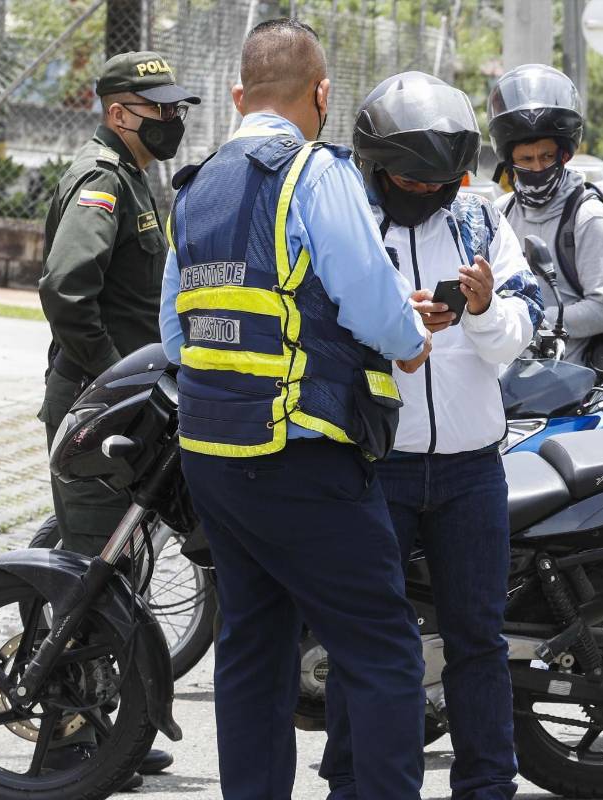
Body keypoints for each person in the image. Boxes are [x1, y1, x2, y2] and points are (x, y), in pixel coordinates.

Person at [158, 19, 431, 799]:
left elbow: (176, 334)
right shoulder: (313, 172)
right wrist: (411, 340)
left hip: (214, 455)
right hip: (302, 455)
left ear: (239, 96)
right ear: (322, 93)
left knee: (253, 644)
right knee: (380, 648)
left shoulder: (195, 188)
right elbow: (372, 302)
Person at [320, 71, 543, 800]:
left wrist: (482, 311)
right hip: (377, 464)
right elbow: (321, 331)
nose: (426, 193)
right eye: (411, 182)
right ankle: (355, 783)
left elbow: (520, 330)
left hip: (471, 468)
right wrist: (393, 326)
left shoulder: (479, 221)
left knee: (478, 637)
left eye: (440, 183)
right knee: (367, 636)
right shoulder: (348, 221)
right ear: (377, 166)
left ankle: (488, 786)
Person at [37, 48, 199, 787]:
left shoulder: (134, 177)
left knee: (122, 570)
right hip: (99, 405)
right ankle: (67, 744)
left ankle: (112, 731)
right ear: (118, 112)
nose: (172, 118)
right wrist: (114, 377)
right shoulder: (103, 181)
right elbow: (67, 289)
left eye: (174, 107)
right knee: (90, 573)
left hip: (127, 408)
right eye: (160, 108)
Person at [489, 63, 603, 366]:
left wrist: (533, 319)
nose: (537, 167)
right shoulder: (500, 213)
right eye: (526, 159)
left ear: (564, 155)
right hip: (504, 375)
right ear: (509, 161)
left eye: (546, 156)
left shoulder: (588, 217)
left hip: (567, 379)